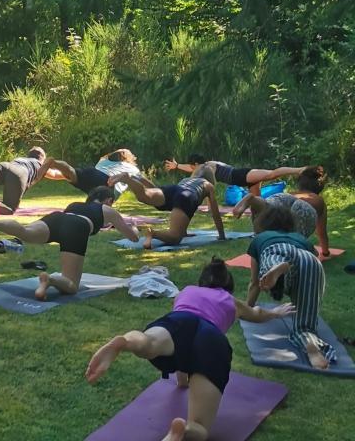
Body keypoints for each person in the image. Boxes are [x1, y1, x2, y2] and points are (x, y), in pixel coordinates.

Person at [86, 258, 295, 441]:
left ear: (202, 282)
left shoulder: (187, 292)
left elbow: (182, 343)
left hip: (180, 321)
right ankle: (183, 431)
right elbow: (257, 314)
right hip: (212, 339)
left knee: (149, 342)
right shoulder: (230, 301)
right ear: (227, 286)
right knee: (201, 427)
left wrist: (182, 380)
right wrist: (275, 313)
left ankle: (126, 342)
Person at [0, 187, 139, 299]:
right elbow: (133, 237)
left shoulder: (75, 204)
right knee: (71, 285)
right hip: (77, 227)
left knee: (26, 233)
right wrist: (134, 228)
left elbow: (68, 219)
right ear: (109, 200)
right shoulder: (107, 210)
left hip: (56, 219)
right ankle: (50, 280)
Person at [245, 206, 334, 369]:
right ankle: (310, 344)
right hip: (311, 261)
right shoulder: (301, 238)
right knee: (303, 325)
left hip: (277, 252)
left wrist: (247, 308)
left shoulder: (261, 238)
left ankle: (278, 268)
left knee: (268, 271)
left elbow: (254, 283)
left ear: (263, 222)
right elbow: (315, 256)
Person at [109, 166, 225, 249]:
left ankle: (128, 179)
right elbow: (214, 213)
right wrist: (222, 236)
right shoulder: (208, 185)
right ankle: (152, 233)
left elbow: (181, 206)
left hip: (173, 190)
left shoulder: (186, 180)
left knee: (143, 195)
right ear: (210, 177)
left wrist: (183, 231)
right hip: (186, 196)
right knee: (175, 238)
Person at [164, 155, 316, 195]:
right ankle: (258, 232)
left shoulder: (207, 166)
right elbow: (192, 168)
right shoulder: (207, 164)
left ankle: (299, 170)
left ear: (196, 164)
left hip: (242, 176)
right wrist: (177, 166)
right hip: (244, 180)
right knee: (258, 206)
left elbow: (193, 170)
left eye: (193, 165)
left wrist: (178, 166)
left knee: (272, 174)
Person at [39, 157, 115, 196]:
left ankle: (53, 163)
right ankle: (54, 163)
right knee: (71, 173)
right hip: (100, 181)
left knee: (70, 173)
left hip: (97, 177)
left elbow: (55, 175)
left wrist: (40, 170)